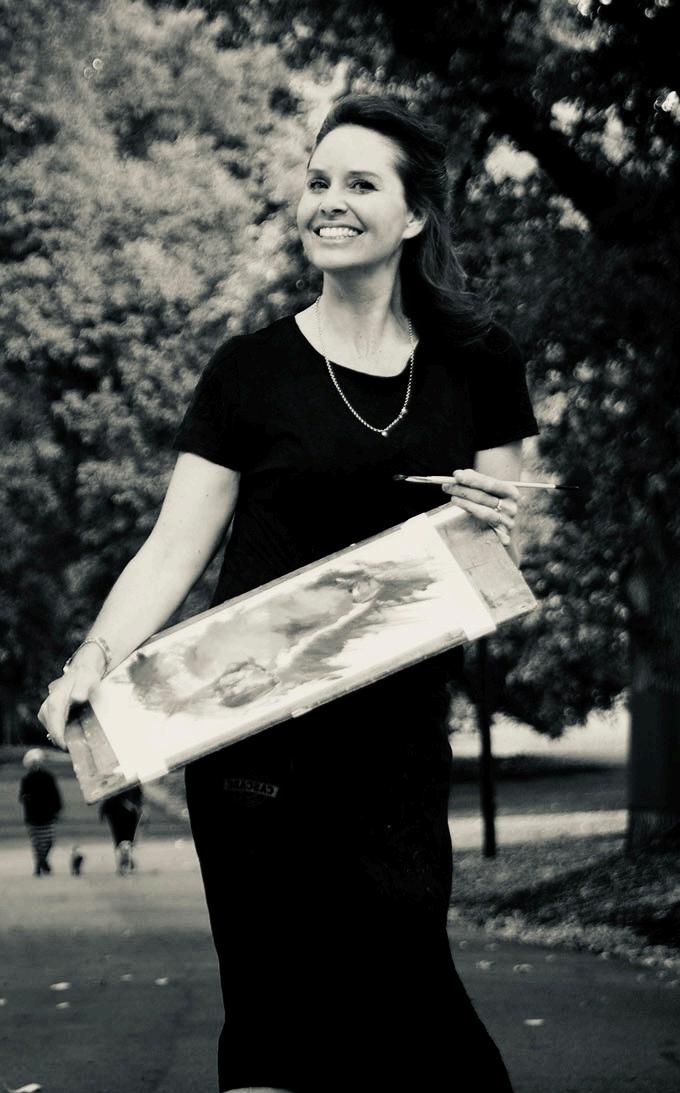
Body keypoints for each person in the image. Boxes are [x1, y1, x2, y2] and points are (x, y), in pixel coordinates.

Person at [39, 94, 539, 1092]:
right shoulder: (249, 373)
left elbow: (510, 539)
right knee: (274, 1023)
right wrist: (89, 661)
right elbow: (171, 550)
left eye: (360, 183)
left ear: (413, 214)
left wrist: (506, 518)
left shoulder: (479, 364)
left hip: (397, 751)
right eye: (317, 181)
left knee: (425, 1027)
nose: (329, 201)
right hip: (253, 746)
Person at [19, 748, 63, 876]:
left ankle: (41, 863)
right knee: (38, 842)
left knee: (48, 841)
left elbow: (55, 795)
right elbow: (22, 796)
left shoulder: (48, 777)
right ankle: (41, 865)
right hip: (34, 815)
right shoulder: (27, 779)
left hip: (45, 814)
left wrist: (57, 809)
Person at [99, 785, 144, 874]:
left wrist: (103, 811)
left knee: (120, 839)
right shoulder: (132, 782)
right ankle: (126, 861)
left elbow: (107, 796)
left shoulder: (115, 782)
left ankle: (124, 862)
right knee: (126, 839)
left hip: (119, 811)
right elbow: (138, 796)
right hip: (122, 811)